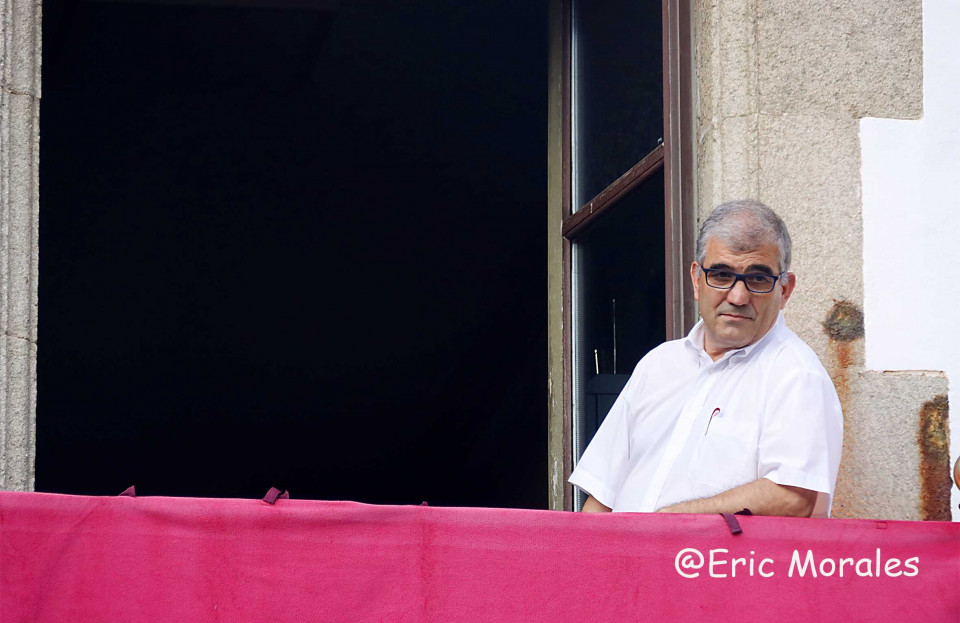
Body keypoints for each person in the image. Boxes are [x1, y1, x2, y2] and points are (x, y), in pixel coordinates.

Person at [570, 199, 843, 518]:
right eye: (722, 275)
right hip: (624, 550)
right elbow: (602, 496)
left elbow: (792, 498)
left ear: (785, 290)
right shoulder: (658, 364)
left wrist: (672, 523)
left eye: (758, 279)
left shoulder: (795, 375)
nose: (738, 296)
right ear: (697, 280)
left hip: (696, 553)